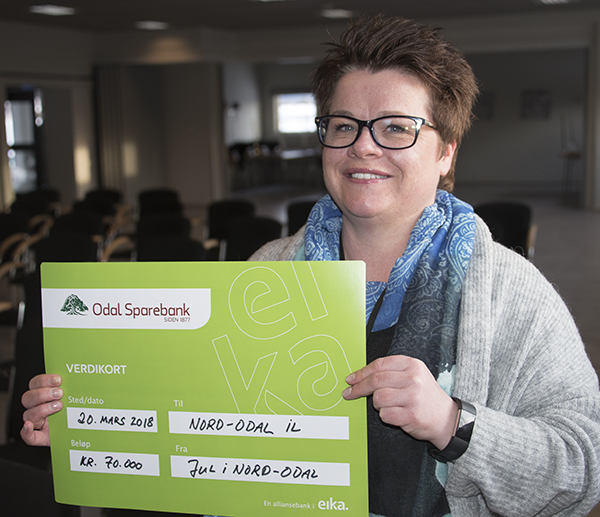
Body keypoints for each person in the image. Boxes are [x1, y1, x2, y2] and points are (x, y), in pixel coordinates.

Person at [21, 14, 600, 517]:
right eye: (343, 125)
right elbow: (208, 441)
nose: (363, 146)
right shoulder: (265, 271)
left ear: (446, 151)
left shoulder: (507, 290)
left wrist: (454, 423)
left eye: (396, 128)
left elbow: (583, 466)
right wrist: (91, 424)